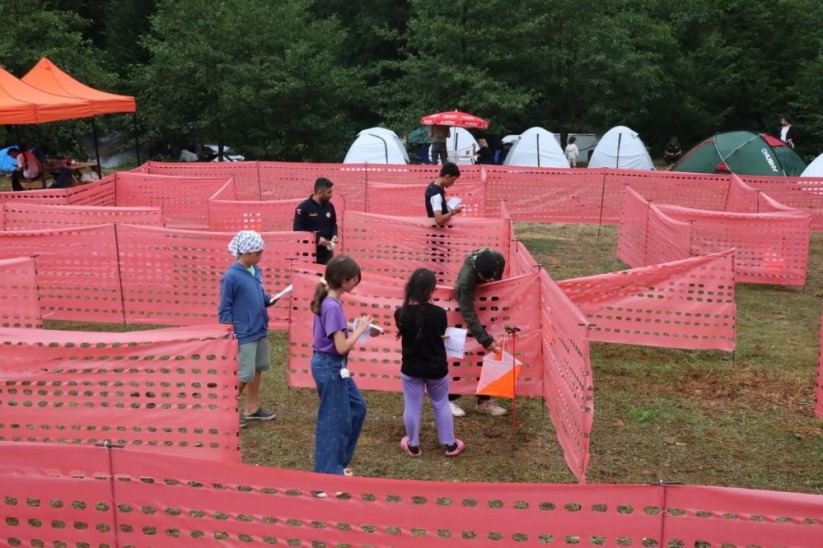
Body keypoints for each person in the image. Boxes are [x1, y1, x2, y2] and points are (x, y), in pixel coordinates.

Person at [310, 255, 374, 477]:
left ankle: (337, 463)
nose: (356, 281)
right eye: (355, 278)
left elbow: (335, 327)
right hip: (331, 366)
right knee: (333, 422)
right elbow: (340, 347)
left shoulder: (330, 301)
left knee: (357, 408)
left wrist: (357, 326)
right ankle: (326, 475)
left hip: (331, 366)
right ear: (345, 281)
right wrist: (359, 329)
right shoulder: (333, 306)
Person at [395, 268, 465, 457]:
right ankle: (450, 444)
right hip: (436, 368)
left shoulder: (401, 313)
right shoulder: (439, 314)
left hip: (411, 368)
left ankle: (413, 444)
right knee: (441, 403)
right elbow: (438, 333)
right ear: (430, 291)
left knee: (412, 405)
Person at [218, 231, 279, 428]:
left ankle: (252, 408)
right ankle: (224, 410)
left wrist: (268, 299)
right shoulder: (231, 276)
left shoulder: (256, 271)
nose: (260, 257)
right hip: (243, 333)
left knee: (258, 368)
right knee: (245, 373)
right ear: (245, 252)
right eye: (257, 253)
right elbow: (224, 306)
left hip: (259, 328)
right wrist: (228, 330)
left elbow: (259, 295)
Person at [449, 248, 508, 417]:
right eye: (485, 278)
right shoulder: (465, 281)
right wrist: (484, 339)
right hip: (464, 316)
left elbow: (496, 287)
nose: (490, 280)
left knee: (486, 358)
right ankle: (450, 398)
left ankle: (484, 401)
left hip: (487, 314)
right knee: (461, 354)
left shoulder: (498, 259)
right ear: (476, 270)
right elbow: (467, 312)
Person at [293, 177, 338, 265]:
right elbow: (298, 230)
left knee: (325, 277)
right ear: (319, 193)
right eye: (329, 192)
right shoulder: (303, 208)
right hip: (308, 253)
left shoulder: (330, 206)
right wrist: (316, 239)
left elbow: (333, 224)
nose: (331, 194)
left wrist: (334, 235)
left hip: (326, 253)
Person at [425, 162, 464, 227]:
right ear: (447, 176)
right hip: (438, 234)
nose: (453, 183)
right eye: (453, 180)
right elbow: (439, 220)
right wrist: (454, 211)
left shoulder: (434, 185)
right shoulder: (436, 194)